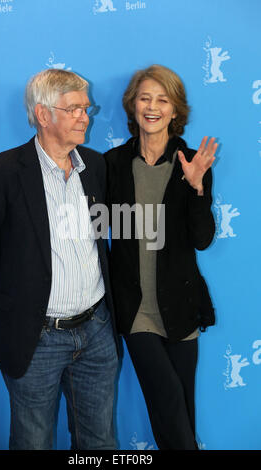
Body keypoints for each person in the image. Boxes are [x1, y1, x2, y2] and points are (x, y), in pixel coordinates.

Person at [0, 68, 119, 450]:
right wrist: (25, 298)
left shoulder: (95, 166)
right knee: (33, 442)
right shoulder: (2, 173)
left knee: (100, 442)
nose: (86, 116)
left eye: (86, 108)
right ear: (42, 114)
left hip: (97, 331)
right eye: (74, 109)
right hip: (36, 338)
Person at [104, 64, 217, 450]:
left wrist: (197, 186)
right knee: (167, 399)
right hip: (135, 311)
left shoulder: (190, 160)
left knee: (183, 408)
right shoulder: (112, 164)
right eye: (145, 98)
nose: (152, 107)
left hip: (181, 306)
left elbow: (202, 240)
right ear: (133, 106)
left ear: (174, 110)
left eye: (162, 100)